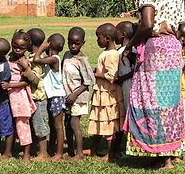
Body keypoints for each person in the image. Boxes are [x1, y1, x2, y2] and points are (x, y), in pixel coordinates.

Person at [124, 0, 185, 169]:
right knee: (169, 101)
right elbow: (179, 28)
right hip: (172, 48)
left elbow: (147, 24)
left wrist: (129, 45)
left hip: (155, 49)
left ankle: (161, 154)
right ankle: (172, 151)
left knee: (152, 100)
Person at [89, 23, 122, 161]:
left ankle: (109, 154)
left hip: (109, 94)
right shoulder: (106, 53)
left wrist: (96, 74)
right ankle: (93, 149)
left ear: (107, 38)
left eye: (99, 38)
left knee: (108, 122)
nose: (97, 40)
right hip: (102, 93)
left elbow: (111, 75)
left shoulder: (112, 55)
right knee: (99, 119)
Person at [62, 27, 94, 161]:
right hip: (67, 96)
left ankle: (79, 153)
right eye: (70, 42)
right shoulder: (66, 55)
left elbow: (88, 81)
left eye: (77, 43)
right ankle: (70, 150)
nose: (73, 45)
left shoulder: (82, 60)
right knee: (67, 123)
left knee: (75, 123)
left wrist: (74, 94)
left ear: (83, 43)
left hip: (78, 97)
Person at [35, 33, 67, 161]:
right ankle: (52, 149)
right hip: (53, 96)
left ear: (49, 44)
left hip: (57, 96)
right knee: (53, 124)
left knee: (58, 125)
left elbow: (36, 59)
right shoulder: (52, 58)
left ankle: (59, 153)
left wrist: (41, 48)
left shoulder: (54, 59)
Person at [5, 32, 36, 162]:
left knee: (23, 125)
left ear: (27, 48)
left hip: (20, 97)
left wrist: (10, 85)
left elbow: (27, 81)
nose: (17, 49)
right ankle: (8, 151)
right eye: (15, 46)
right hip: (10, 96)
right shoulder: (10, 58)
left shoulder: (23, 61)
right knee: (12, 124)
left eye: (21, 48)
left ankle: (26, 154)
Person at [23, 28, 50, 162]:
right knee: (34, 123)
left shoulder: (37, 60)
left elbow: (35, 79)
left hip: (38, 97)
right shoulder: (34, 56)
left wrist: (26, 69)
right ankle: (34, 149)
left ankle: (43, 152)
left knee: (39, 124)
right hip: (33, 96)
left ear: (31, 42)